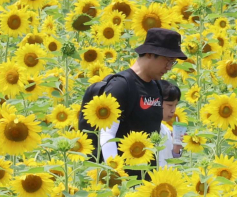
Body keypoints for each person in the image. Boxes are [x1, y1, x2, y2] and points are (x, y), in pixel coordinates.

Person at [79, 27, 188, 164]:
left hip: (147, 177)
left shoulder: (157, 86)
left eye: (172, 62)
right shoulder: (121, 86)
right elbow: (107, 135)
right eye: (167, 60)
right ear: (149, 53)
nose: (169, 67)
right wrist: (115, 172)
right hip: (124, 177)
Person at [157, 80, 183, 167]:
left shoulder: (166, 130)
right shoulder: (144, 128)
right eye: (170, 105)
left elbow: (172, 163)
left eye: (175, 105)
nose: (173, 110)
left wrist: (177, 148)